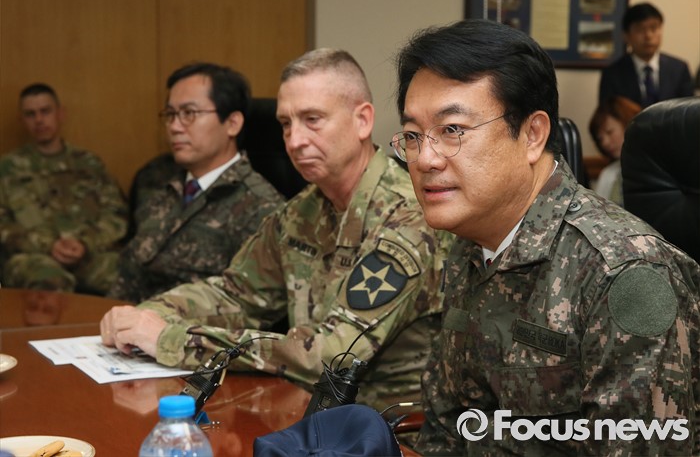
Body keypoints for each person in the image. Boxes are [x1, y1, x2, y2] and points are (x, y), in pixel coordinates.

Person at [393, 19, 700, 455]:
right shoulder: (470, 242)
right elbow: (448, 425)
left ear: (533, 135)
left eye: (452, 130)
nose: (425, 159)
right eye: (412, 135)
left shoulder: (625, 272)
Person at [100, 48, 450, 409]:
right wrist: (151, 314)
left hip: (386, 426)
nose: (294, 141)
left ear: (362, 120)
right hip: (308, 412)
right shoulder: (303, 210)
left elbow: (332, 357)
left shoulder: (407, 217)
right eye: (285, 124)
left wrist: (172, 339)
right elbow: (237, 294)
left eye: (312, 119)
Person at [108, 63, 284, 303]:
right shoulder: (159, 189)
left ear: (232, 123)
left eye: (189, 113)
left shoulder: (260, 208)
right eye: (171, 114)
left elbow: (250, 307)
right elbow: (126, 276)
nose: (174, 126)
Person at [0, 83, 127, 294]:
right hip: (34, 257)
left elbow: (116, 214)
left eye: (45, 111)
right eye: (30, 114)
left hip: (89, 253)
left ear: (60, 114)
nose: (39, 120)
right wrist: (47, 244)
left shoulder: (88, 163)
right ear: (22, 120)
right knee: (48, 280)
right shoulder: (7, 168)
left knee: (127, 273)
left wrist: (85, 243)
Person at [599, 2, 694, 107]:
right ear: (626, 36)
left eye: (654, 28)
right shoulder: (612, 74)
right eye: (640, 30)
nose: (648, 35)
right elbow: (608, 114)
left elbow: (688, 112)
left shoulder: (679, 69)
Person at [587, 96, 642, 206]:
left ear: (628, 124)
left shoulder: (653, 169)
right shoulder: (608, 174)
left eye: (609, 132)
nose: (605, 143)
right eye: (600, 139)